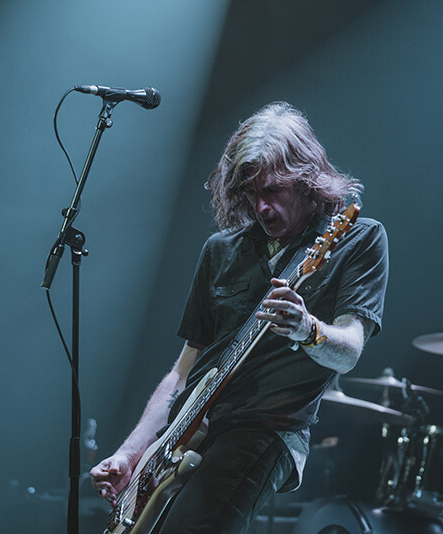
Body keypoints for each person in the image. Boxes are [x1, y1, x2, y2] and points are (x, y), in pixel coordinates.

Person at [89, 102, 388, 533]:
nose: (262, 207)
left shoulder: (356, 240)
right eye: (250, 194)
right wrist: (130, 453)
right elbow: (181, 375)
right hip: (186, 432)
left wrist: (308, 330)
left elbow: (350, 350)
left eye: (273, 190)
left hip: (266, 427)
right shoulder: (220, 250)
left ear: (306, 180)